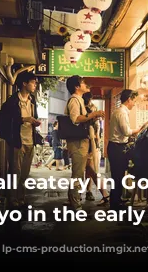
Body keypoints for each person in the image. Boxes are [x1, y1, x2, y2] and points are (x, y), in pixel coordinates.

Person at [0, 71, 41, 208]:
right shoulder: (13, 101)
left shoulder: (32, 100)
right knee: (14, 172)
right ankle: (13, 200)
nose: (35, 85)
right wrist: (25, 119)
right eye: (33, 82)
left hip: (30, 140)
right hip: (17, 141)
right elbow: (6, 119)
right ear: (24, 83)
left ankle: (21, 198)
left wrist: (34, 121)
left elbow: (33, 116)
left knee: (24, 174)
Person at [64, 75, 104, 211]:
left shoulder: (79, 99)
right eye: (82, 83)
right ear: (76, 87)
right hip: (78, 142)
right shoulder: (74, 100)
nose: (84, 85)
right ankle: (76, 204)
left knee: (80, 172)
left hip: (81, 141)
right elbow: (75, 119)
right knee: (78, 173)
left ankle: (73, 200)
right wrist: (93, 114)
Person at [107, 89, 141, 211]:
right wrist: (140, 129)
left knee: (119, 176)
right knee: (117, 176)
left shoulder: (120, 111)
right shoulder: (122, 112)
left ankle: (117, 201)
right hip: (117, 147)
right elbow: (126, 132)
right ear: (129, 99)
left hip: (116, 147)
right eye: (134, 101)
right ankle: (115, 205)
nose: (134, 103)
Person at [82, 91, 109, 205]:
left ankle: (100, 193)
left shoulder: (90, 110)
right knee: (90, 170)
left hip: (90, 144)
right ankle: (103, 193)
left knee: (90, 170)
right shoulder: (84, 110)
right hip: (88, 144)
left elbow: (96, 129)